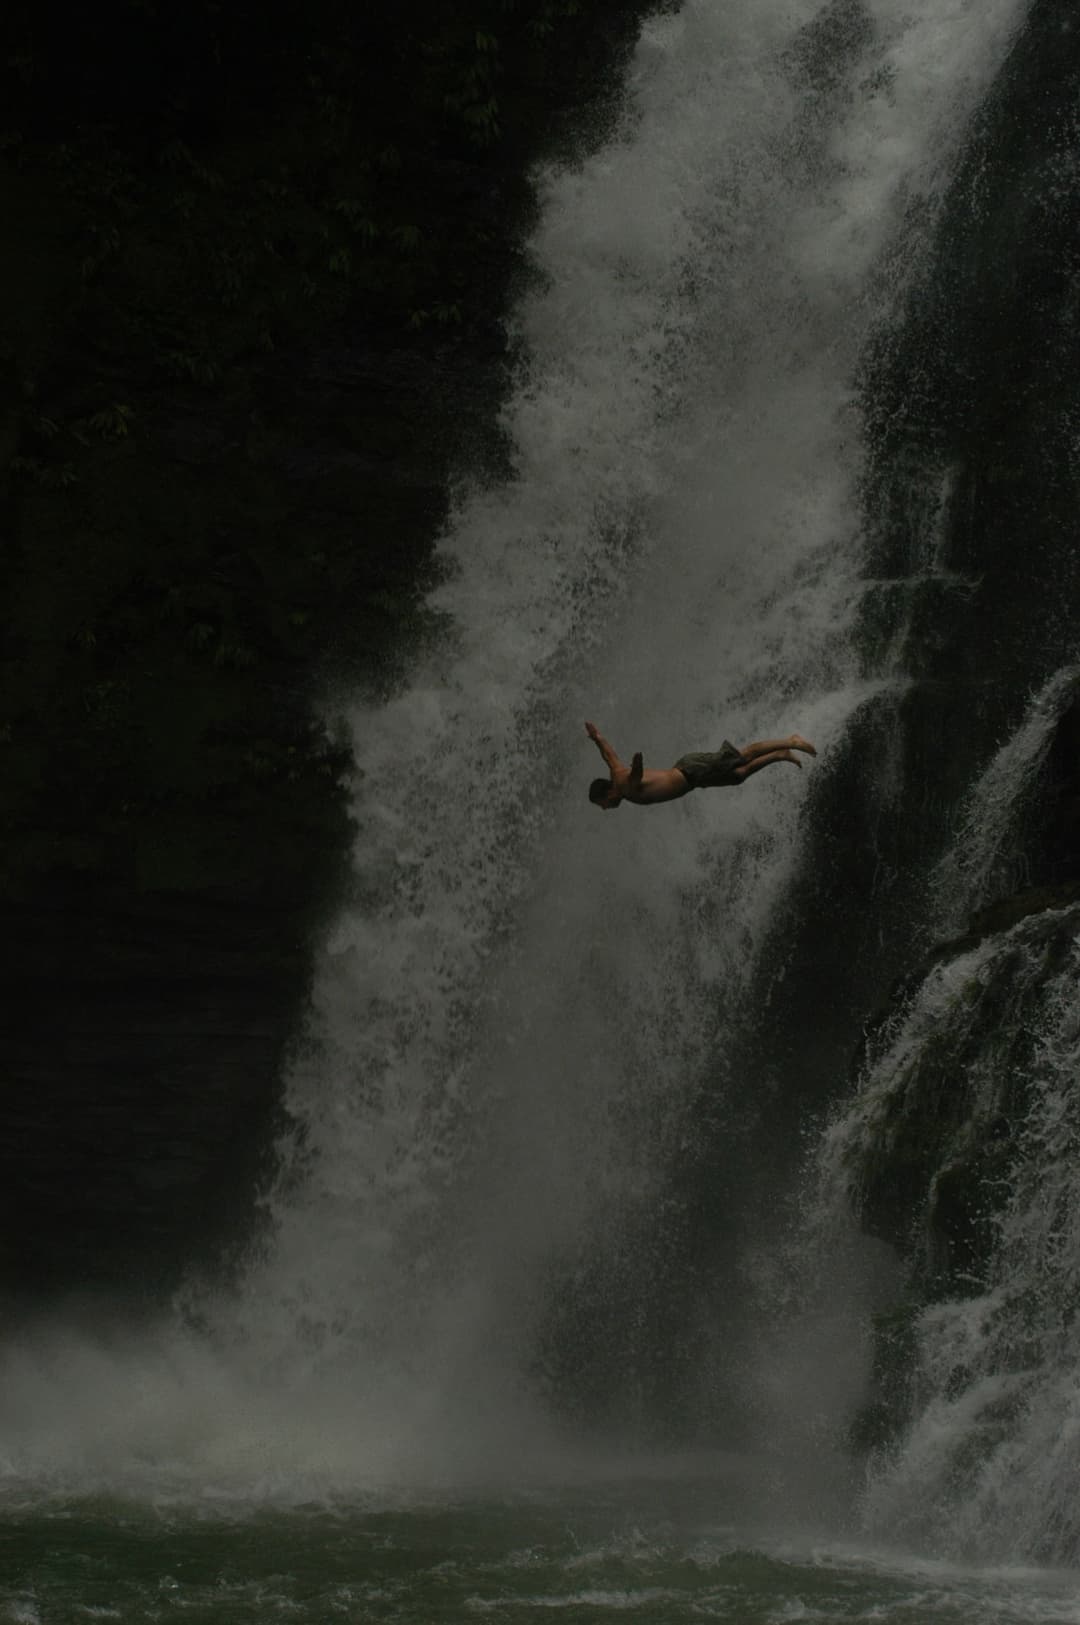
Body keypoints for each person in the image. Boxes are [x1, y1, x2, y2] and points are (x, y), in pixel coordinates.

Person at [585, 720, 816, 810]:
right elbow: (609, 754)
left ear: (609, 792)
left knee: (741, 756)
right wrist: (597, 737)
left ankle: (791, 741)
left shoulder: (624, 786)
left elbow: (635, 778)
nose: (605, 808)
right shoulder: (615, 774)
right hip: (694, 779)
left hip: (691, 769)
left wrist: (637, 765)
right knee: (739, 776)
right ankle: (780, 754)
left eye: (602, 803)